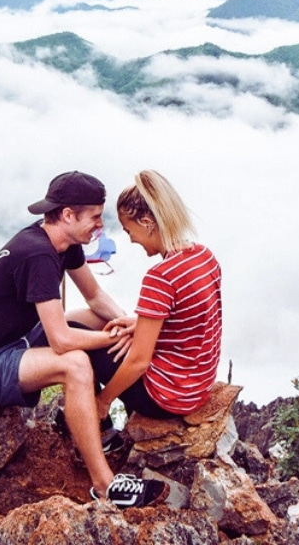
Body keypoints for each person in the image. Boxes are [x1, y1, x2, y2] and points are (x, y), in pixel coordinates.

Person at [0, 170, 166, 508]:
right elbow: (62, 342)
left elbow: (94, 297)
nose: (100, 226)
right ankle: (105, 485)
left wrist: (130, 327)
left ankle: (94, 427)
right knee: (76, 363)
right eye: (94, 217)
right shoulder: (38, 255)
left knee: (92, 319)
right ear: (67, 215)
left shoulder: (62, 243)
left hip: (17, 340)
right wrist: (113, 341)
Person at [88, 170, 222, 438]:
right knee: (107, 331)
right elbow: (195, 315)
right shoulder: (204, 256)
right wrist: (140, 323)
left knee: (83, 349)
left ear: (148, 222)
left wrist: (103, 401)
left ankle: (100, 432)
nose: (131, 238)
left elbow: (138, 362)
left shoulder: (160, 277)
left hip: (165, 398)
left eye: (130, 230)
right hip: (197, 388)